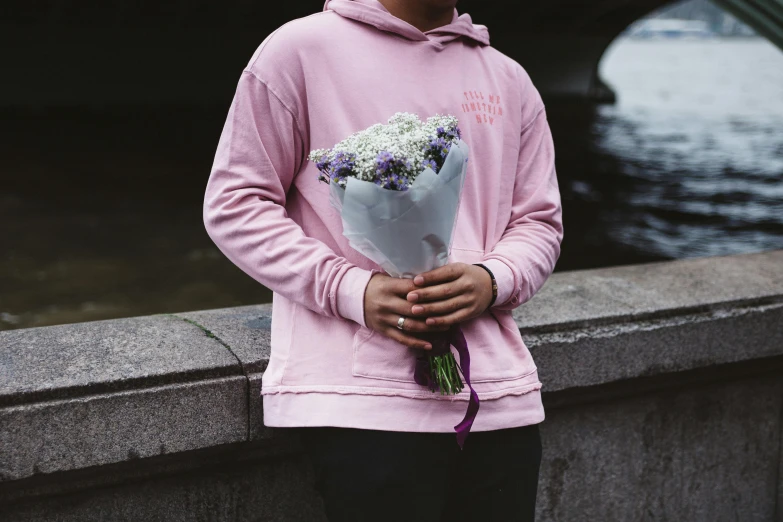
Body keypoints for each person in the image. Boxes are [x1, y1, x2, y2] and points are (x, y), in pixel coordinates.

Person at [203, 0, 564, 520]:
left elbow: (538, 222)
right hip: (360, 404)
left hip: (498, 402)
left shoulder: (510, 78)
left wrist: (492, 279)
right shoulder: (297, 50)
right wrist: (352, 289)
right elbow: (235, 203)